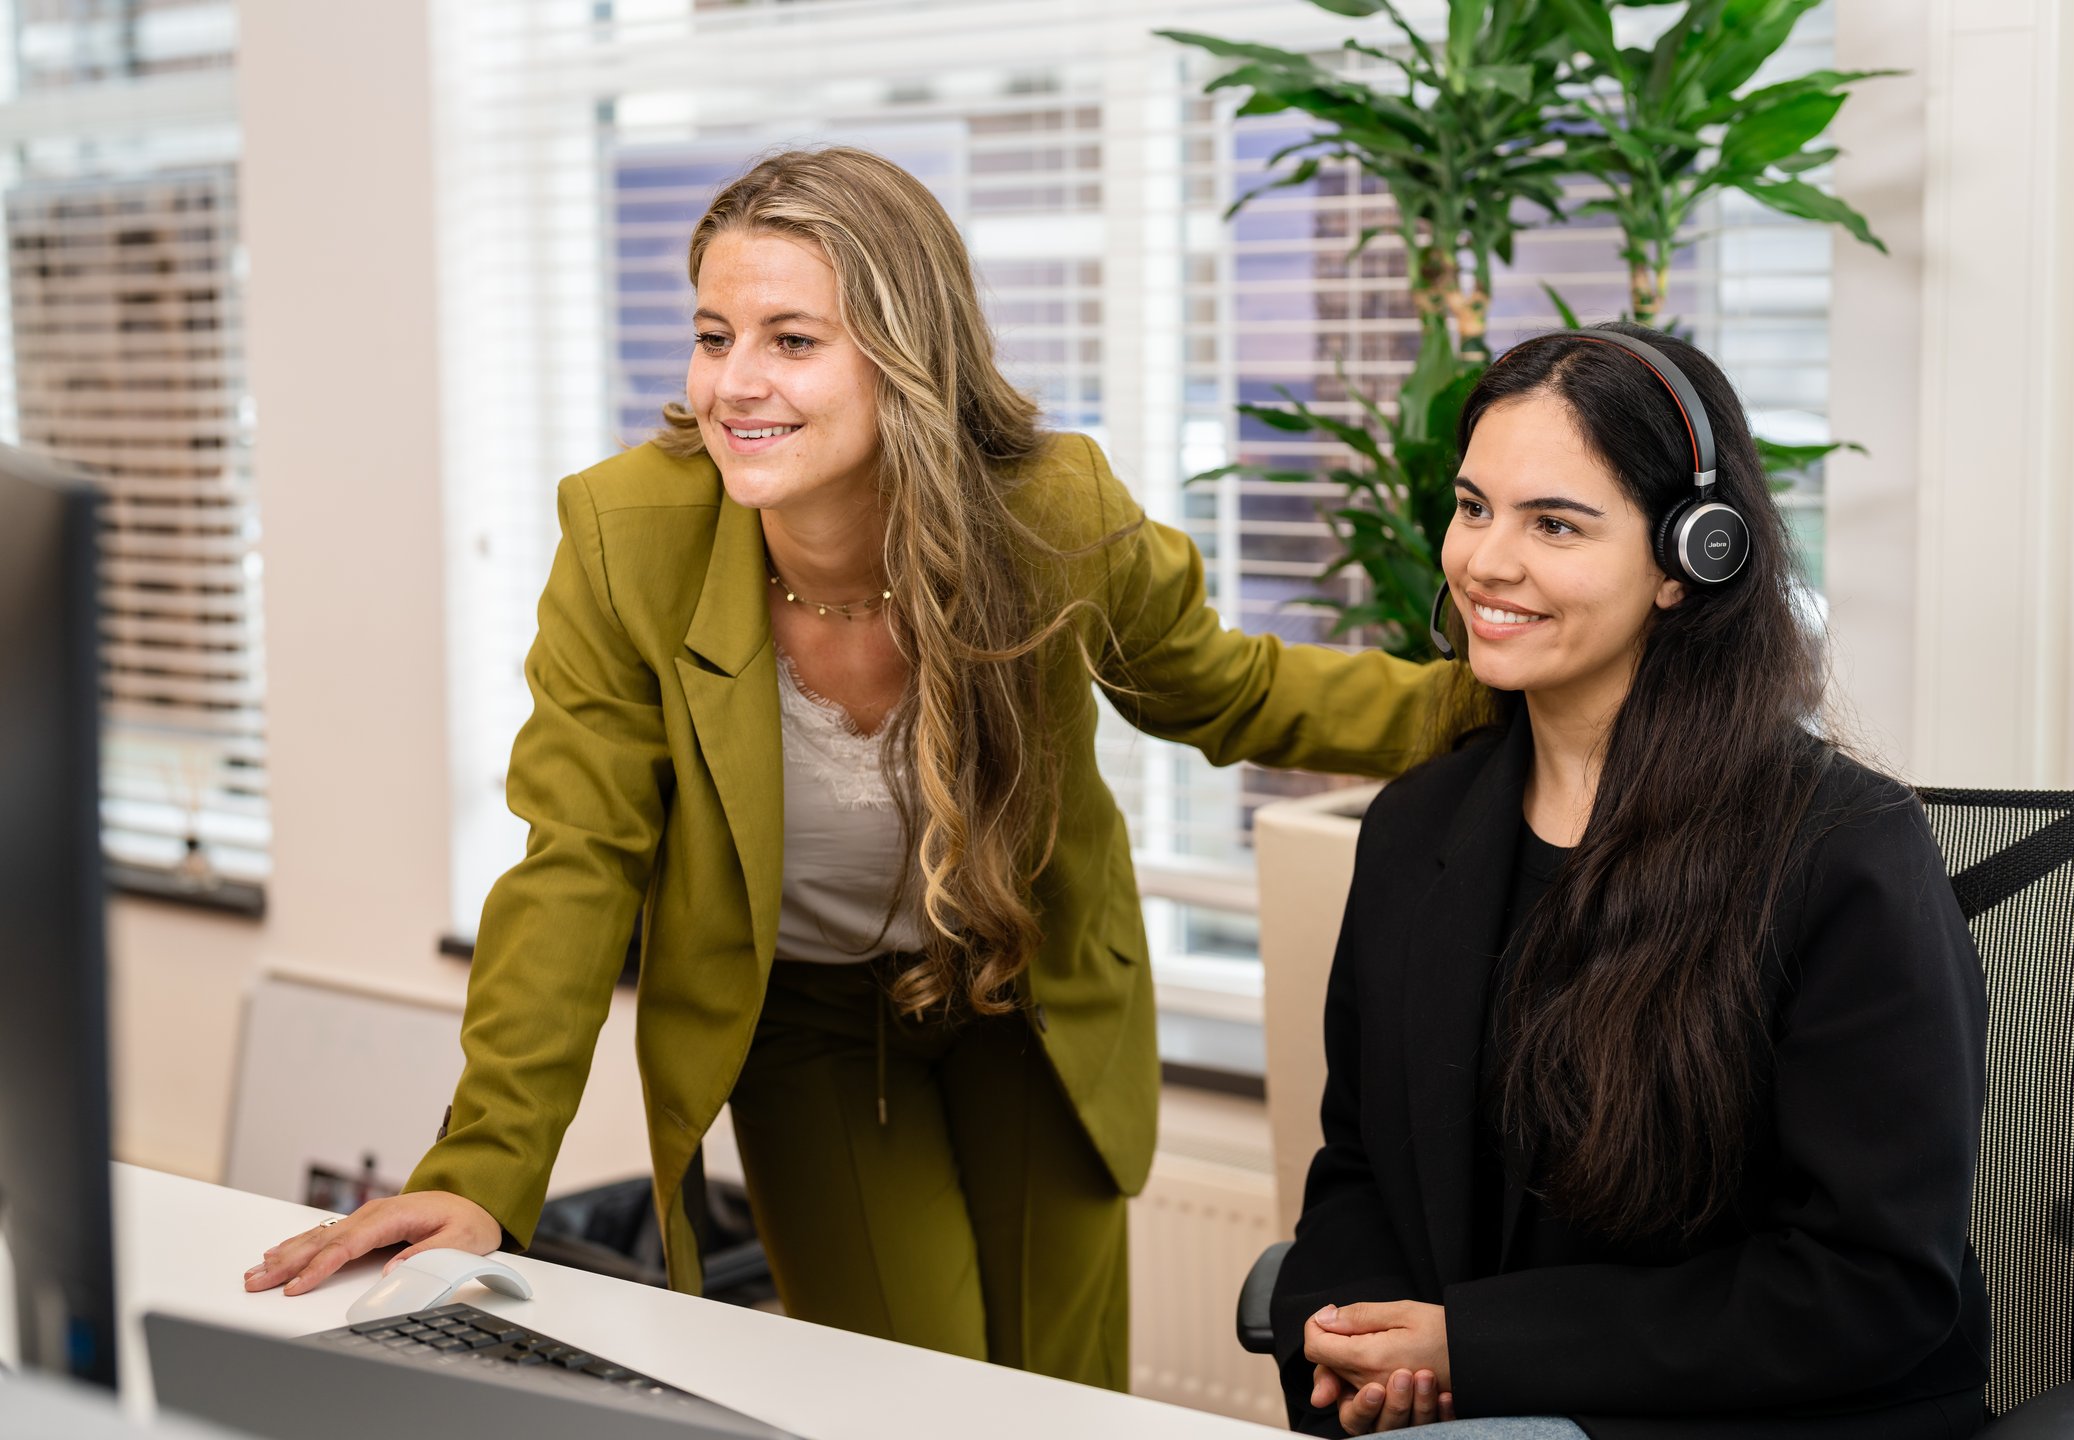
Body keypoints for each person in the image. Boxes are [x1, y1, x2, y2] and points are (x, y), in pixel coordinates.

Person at [242, 146, 1478, 1390]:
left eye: (790, 340)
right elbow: (579, 862)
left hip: (1027, 995)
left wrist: (1505, 692)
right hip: (809, 1025)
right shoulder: (628, 539)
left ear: (905, 351)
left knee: (1058, 1398)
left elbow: (1231, 691)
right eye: (713, 335)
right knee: (908, 1400)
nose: (735, 383)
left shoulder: (1049, 512)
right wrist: (480, 1170)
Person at [1271, 323, 1990, 1438]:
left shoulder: (1842, 852)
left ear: (1686, 559)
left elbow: (1869, 1285)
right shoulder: (1418, 829)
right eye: (1473, 508)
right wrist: (1346, 1341)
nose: (1485, 563)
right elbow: (1360, 1166)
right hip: (1481, 1420)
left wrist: (1480, 1349)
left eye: (1555, 523)